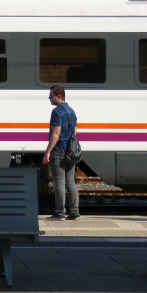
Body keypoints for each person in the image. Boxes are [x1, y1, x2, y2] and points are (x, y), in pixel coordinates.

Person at [42, 85, 80, 221]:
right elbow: (74, 133)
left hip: (58, 151)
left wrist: (48, 152)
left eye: (51, 96)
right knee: (71, 182)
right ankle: (75, 213)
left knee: (59, 183)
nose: (49, 99)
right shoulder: (71, 111)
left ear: (59, 96)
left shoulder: (57, 112)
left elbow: (56, 134)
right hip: (70, 151)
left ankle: (60, 213)